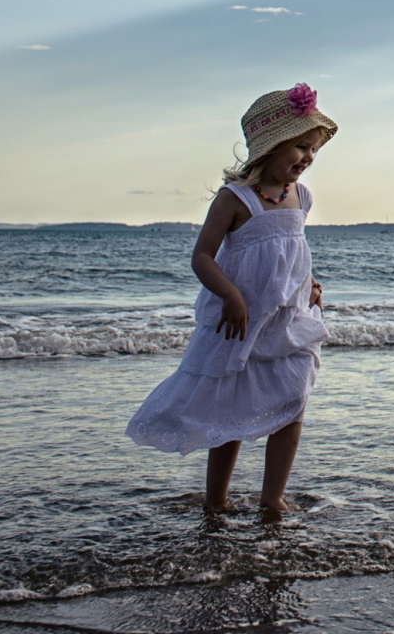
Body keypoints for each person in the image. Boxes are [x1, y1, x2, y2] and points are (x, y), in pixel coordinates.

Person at [126, 83, 337, 512]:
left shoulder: (302, 198)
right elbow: (202, 257)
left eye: (313, 149)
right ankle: (216, 499)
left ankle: (272, 498)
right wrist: (230, 295)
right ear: (271, 145)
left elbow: (293, 252)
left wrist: (311, 282)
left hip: (286, 320)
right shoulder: (235, 199)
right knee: (231, 412)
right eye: (301, 146)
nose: (309, 157)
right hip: (239, 322)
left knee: (293, 401)